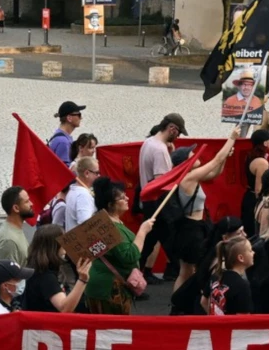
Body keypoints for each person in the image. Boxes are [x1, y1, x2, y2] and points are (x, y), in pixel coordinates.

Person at [171, 126, 242, 293]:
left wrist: (225, 157)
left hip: (194, 227)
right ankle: (179, 304)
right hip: (190, 230)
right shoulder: (188, 177)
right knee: (187, 272)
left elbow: (214, 173)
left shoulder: (193, 176)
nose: (195, 155)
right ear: (185, 162)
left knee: (188, 270)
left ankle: (180, 304)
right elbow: (215, 160)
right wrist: (231, 138)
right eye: (191, 154)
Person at [84, 177, 153, 315]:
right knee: (112, 331)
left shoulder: (103, 222)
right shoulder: (110, 227)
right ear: (110, 204)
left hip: (101, 285)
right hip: (110, 289)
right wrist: (142, 232)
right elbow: (129, 256)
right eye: (122, 197)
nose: (127, 198)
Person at [139, 113, 187, 278]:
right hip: (159, 203)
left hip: (148, 200)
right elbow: (162, 182)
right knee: (173, 243)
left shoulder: (149, 143)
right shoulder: (160, 150)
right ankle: (184, 275)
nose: (178, 136)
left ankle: (134, 278)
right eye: (178, 132)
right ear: (172, 129)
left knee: (147, 244)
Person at [241, 130, 269, 236]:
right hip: (254, 200)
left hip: (249, 197)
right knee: (254, 233)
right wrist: (261, 206)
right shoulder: (261, 162)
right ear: (265, 143)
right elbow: (258, 188)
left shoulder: (252, 156)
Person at [0, 186, 33, 267]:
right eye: (27, 201)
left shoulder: (14, 228)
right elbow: (8, 277)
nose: (31, 204)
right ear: (16, 208)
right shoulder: (9, 242)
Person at [64, 157, 99, 232]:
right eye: (96, 173)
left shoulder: (74, 190)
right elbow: (86, 224)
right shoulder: (83, 195)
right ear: (87, 173)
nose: (98, 176)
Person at [48, 101, 85, 166]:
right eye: (79, 115)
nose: (81, 118)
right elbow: (65, 171)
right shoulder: (63, 141)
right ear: (69, 118)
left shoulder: (59, 135)